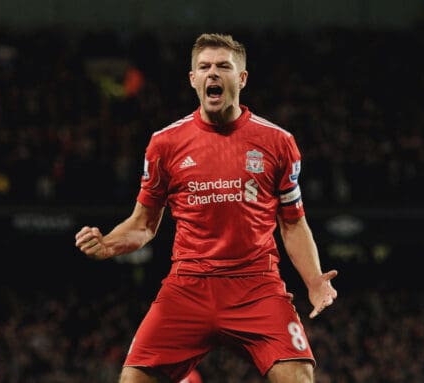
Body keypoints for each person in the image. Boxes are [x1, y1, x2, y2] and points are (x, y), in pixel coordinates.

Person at [75, 33, 338, 383]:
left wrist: (314, 280)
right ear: (193, 79)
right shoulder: (164, 144)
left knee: (299, 377)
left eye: (223, 66)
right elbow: (144, 224)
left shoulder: (278, 142)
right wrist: (108, 243)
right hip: (188, 287)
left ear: (241, 79)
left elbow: (292, 222)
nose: (213, 73)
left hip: (256, 286)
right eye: (204, 67)